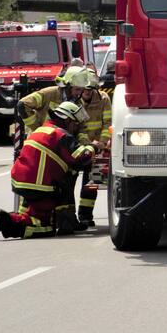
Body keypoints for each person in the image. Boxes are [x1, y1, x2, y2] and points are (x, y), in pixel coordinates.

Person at [0, 102, 98, 240]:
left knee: (62, 183)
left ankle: (67, 222)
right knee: (45, 228)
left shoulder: (42, 129)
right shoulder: (61, 135)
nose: (78, 128)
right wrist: (94, 147)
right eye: (76, 124)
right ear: (68, 120)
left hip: (22, 182)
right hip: (39, 187)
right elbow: (82, 157)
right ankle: (7, 222)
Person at [70, 68, 111, 228]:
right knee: (69, 183)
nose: (87, 92)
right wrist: (87, 143)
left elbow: (108, 122)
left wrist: (102, 142)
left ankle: (85, 216)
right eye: (84, 89)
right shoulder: (74, 101)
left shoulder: (103, 98)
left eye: (90, 89)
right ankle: (69, 217)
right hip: (79, 147)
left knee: (92, 182)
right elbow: (77, 127)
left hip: (99, 147)